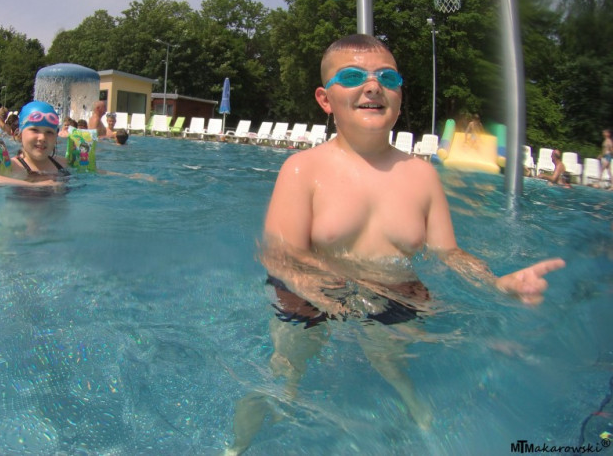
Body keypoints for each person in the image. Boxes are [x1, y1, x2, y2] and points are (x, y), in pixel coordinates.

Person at [226, 35, 565, 453]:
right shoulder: (302, 170)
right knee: (284, 376)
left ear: (399, 100)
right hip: (312, 291)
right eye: (353, 76)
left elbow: (448, 253)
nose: (373, 86)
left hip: (394, 292)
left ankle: (424, 427)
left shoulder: (422, 175)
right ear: (325, 99)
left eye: (387, 78)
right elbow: (279, 254)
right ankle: (237, 447)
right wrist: (324, 292)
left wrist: (496, 284)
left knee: (398, 374)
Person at [0, 101, 99, 186]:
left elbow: (96, 173)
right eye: (34, 130)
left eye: (49, 132)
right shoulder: (13, 166)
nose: (42, 137)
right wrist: (31, 185)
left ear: (56, 137)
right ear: (19, 133)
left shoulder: (63, 164)